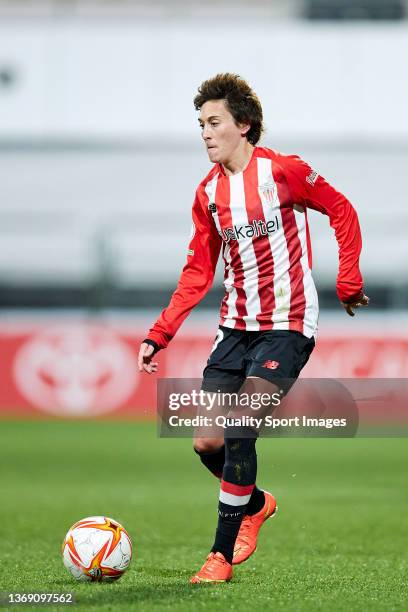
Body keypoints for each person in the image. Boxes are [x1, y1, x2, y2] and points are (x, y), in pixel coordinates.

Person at [137, 73, 369, 584]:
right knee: (206, 443)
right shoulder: (208, 194)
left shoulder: (284, 172)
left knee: (241, 424)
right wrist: (161, 332)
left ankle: (218, 557)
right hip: (235, 327)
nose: (205, 133)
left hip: (287, 325)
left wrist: (348, 279)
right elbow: (198, 271)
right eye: (200, 124)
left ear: (243, 125)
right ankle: (257, 502)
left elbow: (341, 210)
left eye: (214, 122)